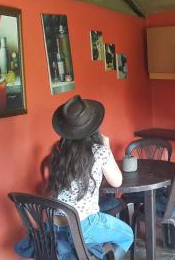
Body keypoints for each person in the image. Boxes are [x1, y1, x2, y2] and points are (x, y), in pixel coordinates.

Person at [48, 95, 133, 259]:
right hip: (84, 226)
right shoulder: (98, 150)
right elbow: (117, 182)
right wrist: (106, 147)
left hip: (56, 225)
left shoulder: (58, 151)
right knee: (127, 234)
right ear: (93, 126)